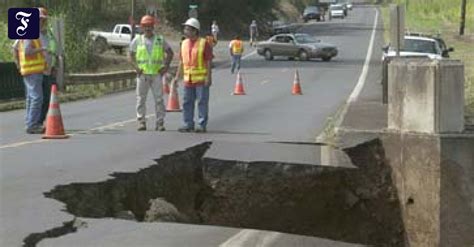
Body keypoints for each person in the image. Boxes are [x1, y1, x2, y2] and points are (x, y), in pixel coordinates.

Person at [12, 7, 54, 134]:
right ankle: (32, 124)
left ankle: (30, 122)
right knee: (37, 98)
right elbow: (27, 51)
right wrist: (42, 50)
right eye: (39, 20)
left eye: (42, 20)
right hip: (32, 70)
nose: (41, 22)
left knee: (32, 98)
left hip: (33, 70)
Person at [129, 15, 174, 131]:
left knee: (159, 99)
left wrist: (166, 67)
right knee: (141, 99)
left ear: (153, 26)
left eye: (150, 26)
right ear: (142, 27)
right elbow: (130, 55)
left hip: (156, 74)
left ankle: (160, 122)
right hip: (142, 74)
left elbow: (170, 53)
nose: (148, 28)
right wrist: (136, 68)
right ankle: (141, 122)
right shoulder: (137, 40)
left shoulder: (160, 39)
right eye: (145, 26)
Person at [173, 18, 213, 133]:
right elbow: (182, 62)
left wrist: (208, 77)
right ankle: (188, 123)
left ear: (195, 31)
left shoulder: (203, 43)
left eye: (187, 29)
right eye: (185, 28)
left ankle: (202, 124)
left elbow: (208, 61)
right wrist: (177, 77)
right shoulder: (184, 43)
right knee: (187, 102)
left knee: (202, 102)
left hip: (201, 79)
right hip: (188, 79)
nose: (185, 31)